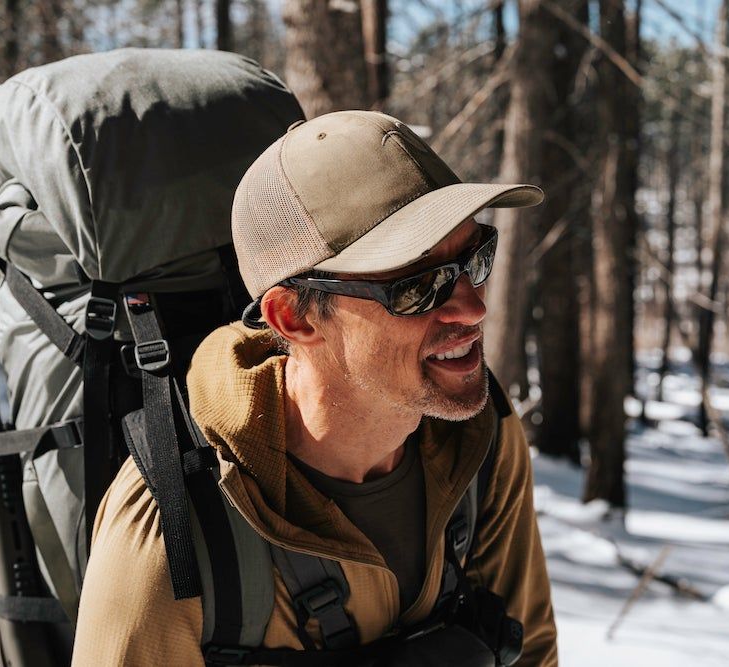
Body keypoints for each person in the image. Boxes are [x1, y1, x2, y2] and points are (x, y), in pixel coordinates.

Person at [71, 110, 558, 666]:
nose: (473, 307)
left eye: (476, 259)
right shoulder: (173, 531)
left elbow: (531, 650)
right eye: (418, 286)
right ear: (295, 319)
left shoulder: (479, 437)